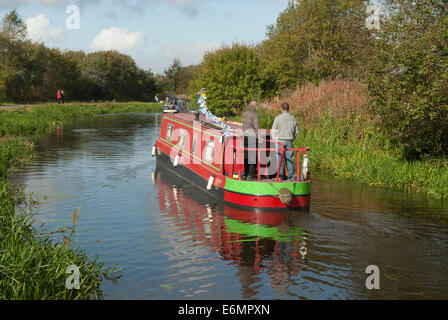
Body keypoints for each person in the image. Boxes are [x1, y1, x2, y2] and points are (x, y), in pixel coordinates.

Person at [271, 102, 299, 181]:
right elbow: (296, 131)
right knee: (289, 159)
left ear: (281, 109)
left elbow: (273, 131)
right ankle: (291, 176)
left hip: (280, 142)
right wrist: (292, 138)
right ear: (288, 109)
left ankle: (280, 176)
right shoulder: (293, 119)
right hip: (289, 141)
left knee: (280, 159)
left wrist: (274, 140)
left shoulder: (277, 118)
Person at [242, 101, 259, 180]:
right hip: (252, 137)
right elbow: (256, 127)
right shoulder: (255, 115)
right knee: (253, 157)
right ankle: (250, 175)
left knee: (246, 156)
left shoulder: (245, 114)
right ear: (255, 107)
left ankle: (246, 173)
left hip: (245, 136)